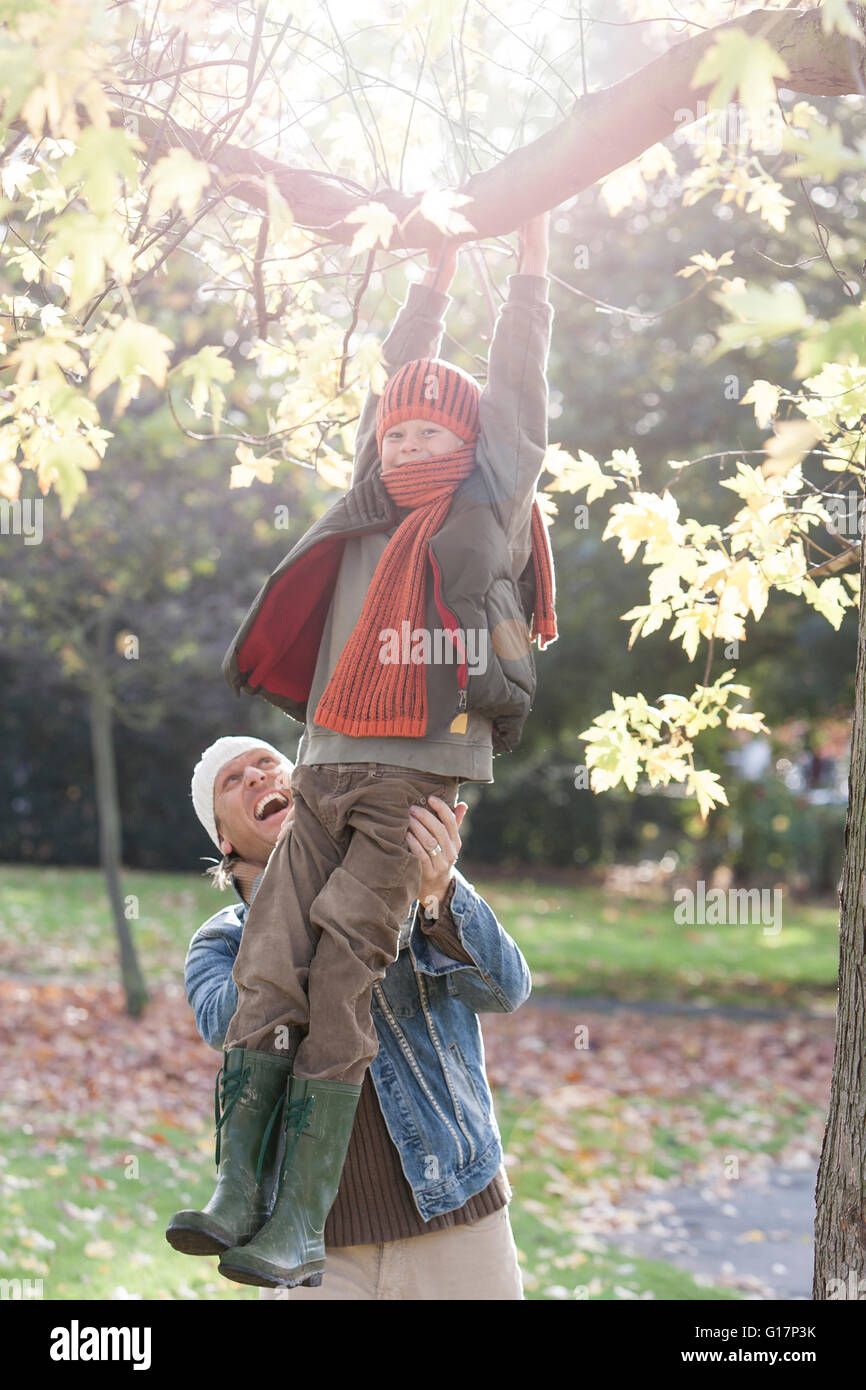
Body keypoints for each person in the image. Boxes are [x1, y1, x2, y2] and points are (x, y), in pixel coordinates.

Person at [171, 217, 555, 1289]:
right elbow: (387, 390)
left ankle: (297, 1216)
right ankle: (241, 1191)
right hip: (334, 760)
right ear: (219, 832)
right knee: (270, 958)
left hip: (408, 776)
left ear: (469, 448)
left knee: (345, 962)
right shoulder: (364, 508)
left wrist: (512, 268)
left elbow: (516, 401)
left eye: (427, 433)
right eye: (389, 436)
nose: (400, 446)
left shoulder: (480, 511)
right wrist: (420, 296)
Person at [174, 737, 530, 1300]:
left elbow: (505, 989)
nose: (258, 777)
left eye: (269, 763)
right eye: (232, 780)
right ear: (223, 839)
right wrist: (288, 904)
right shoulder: (221, 941)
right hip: (307, 1253)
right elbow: (228, 1026)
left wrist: (439, 892)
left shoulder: (402, 881)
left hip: (456, 1217)